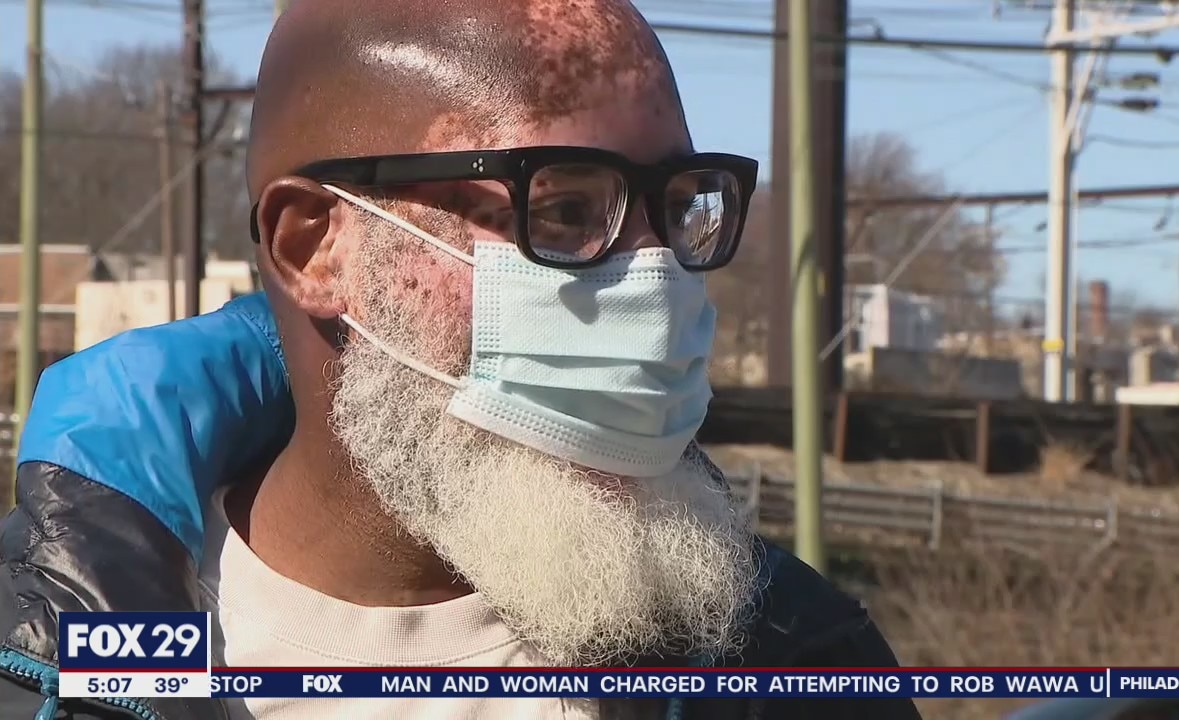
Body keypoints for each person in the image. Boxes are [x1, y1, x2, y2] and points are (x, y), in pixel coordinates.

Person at [0, 1, 922, 719]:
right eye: (563, 208)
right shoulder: (37, 657)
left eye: (678, 206)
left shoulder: (797, 662)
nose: (656, 281)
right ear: (315, 247)